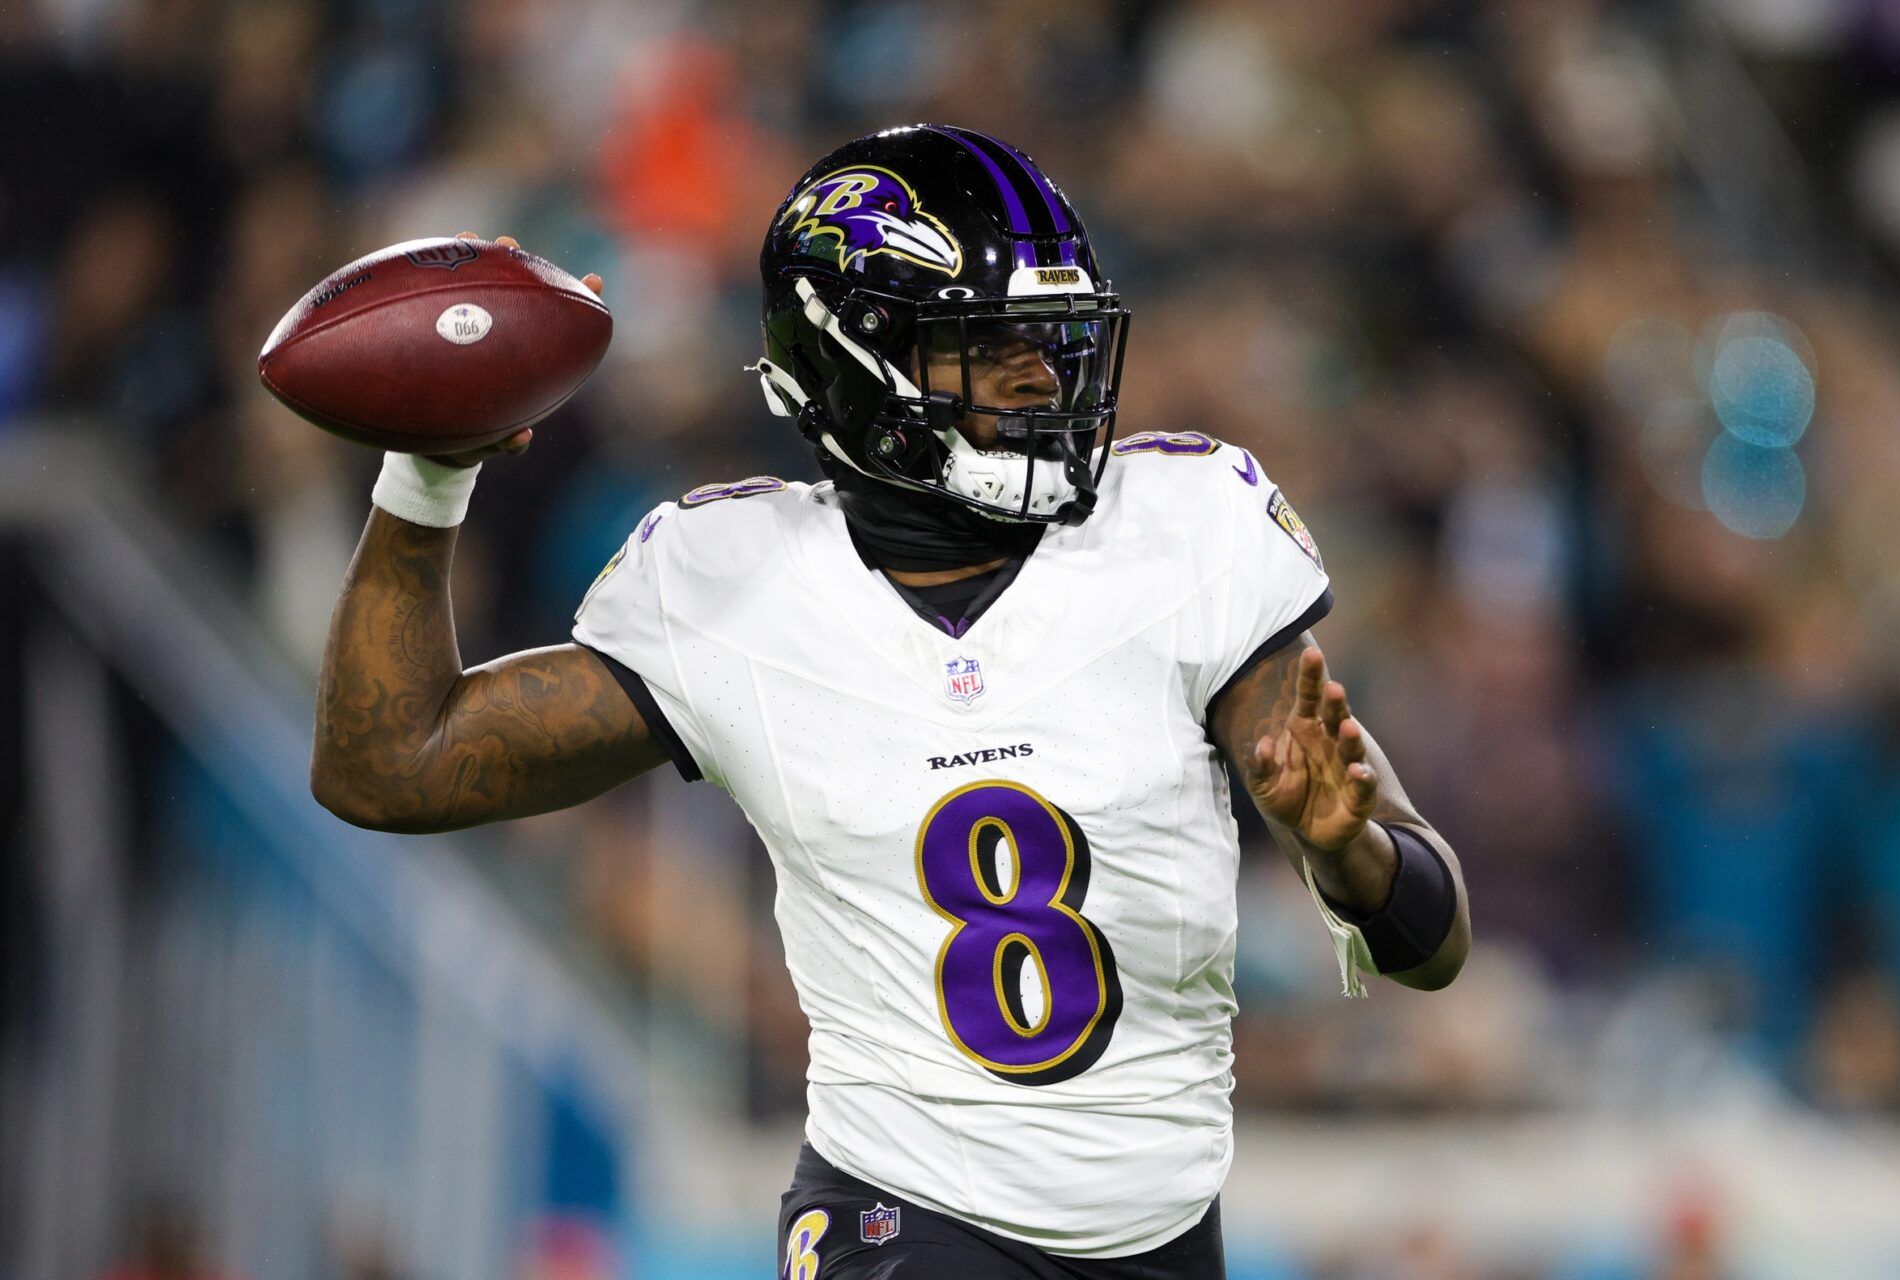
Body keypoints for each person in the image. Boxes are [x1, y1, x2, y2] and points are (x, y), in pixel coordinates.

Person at [309, 124, 1470, 1280]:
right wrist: (427, 473)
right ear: (858, 366)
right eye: (989, 340)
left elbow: (1433, 942)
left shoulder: (1186, 529)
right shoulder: (734, 581)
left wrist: (1352, 853)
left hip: (1161, 1237)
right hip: (901, 1216)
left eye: (1050, 335)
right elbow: (390, 761)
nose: (1041, 371)